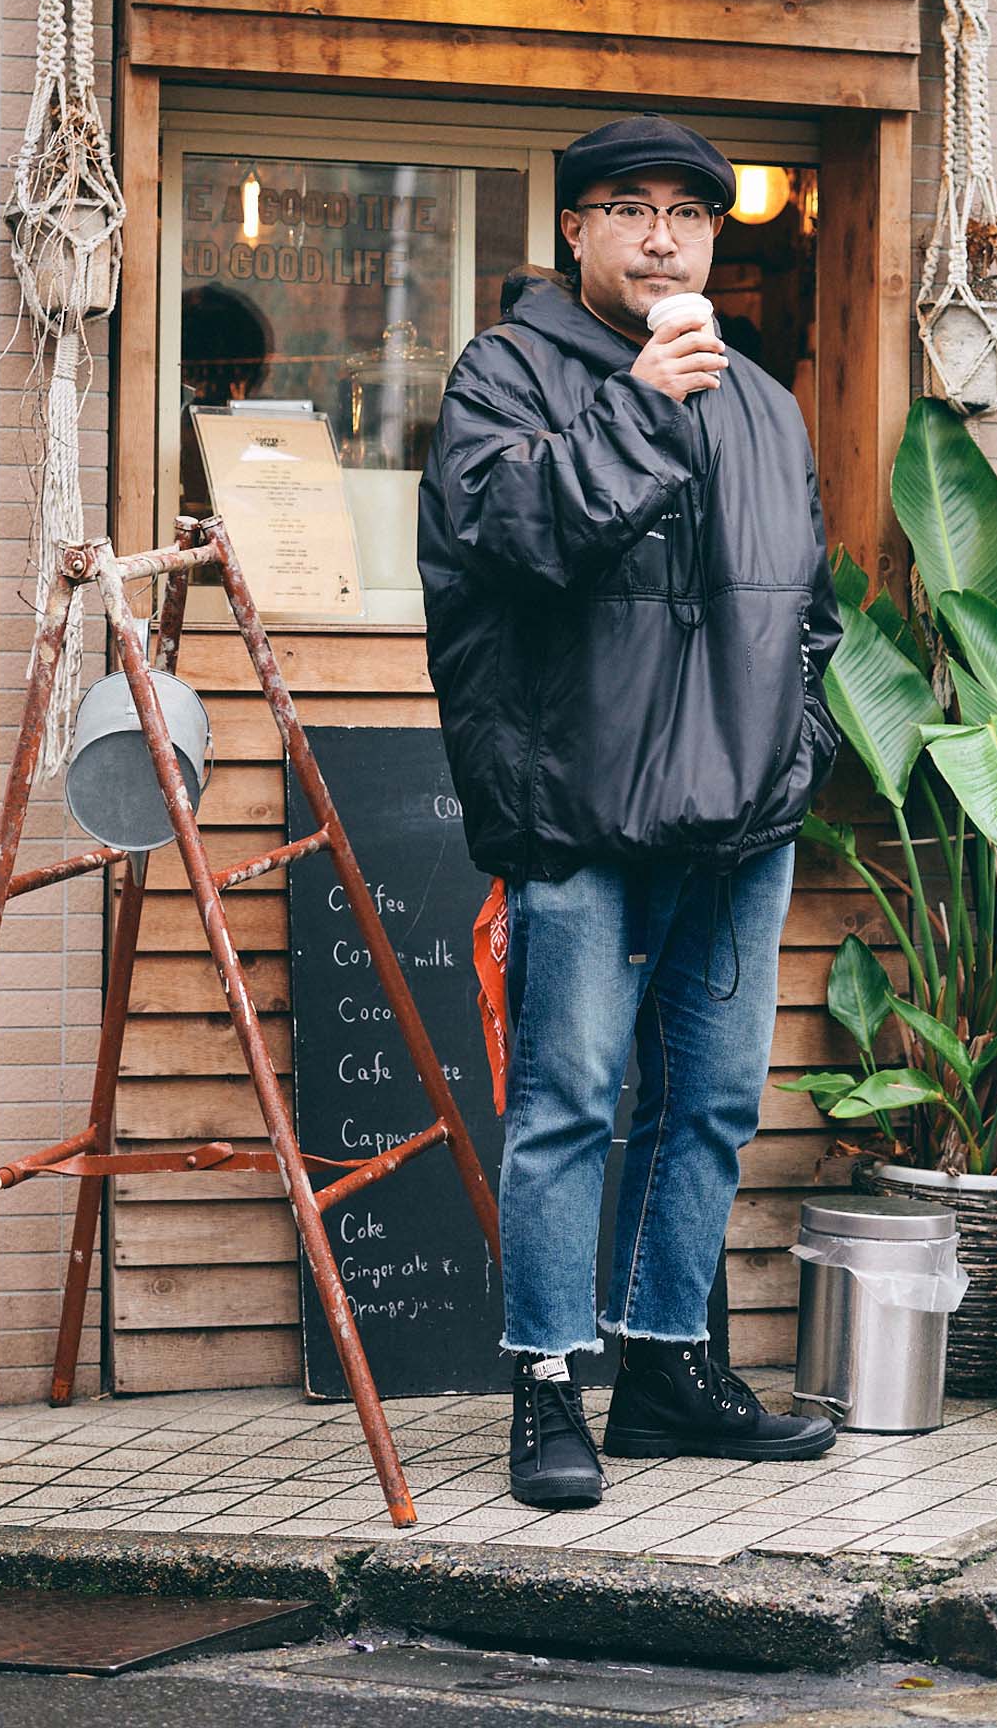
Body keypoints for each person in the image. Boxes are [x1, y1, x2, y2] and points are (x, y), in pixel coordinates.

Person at [417, 114, 843, 1509]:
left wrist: (794, 750)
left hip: (738, 818)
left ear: (715, 236)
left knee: (710, 1103)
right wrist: (644, 404)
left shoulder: (765, 403)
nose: (663, 237)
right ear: (576, 231)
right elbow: (513, 537)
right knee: (568, 1102)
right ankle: (547, 1382)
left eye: (689, 213)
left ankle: (666, 1372)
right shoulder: (505, 372)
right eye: (630, 209)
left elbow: (808, 614)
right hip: (578, 807)